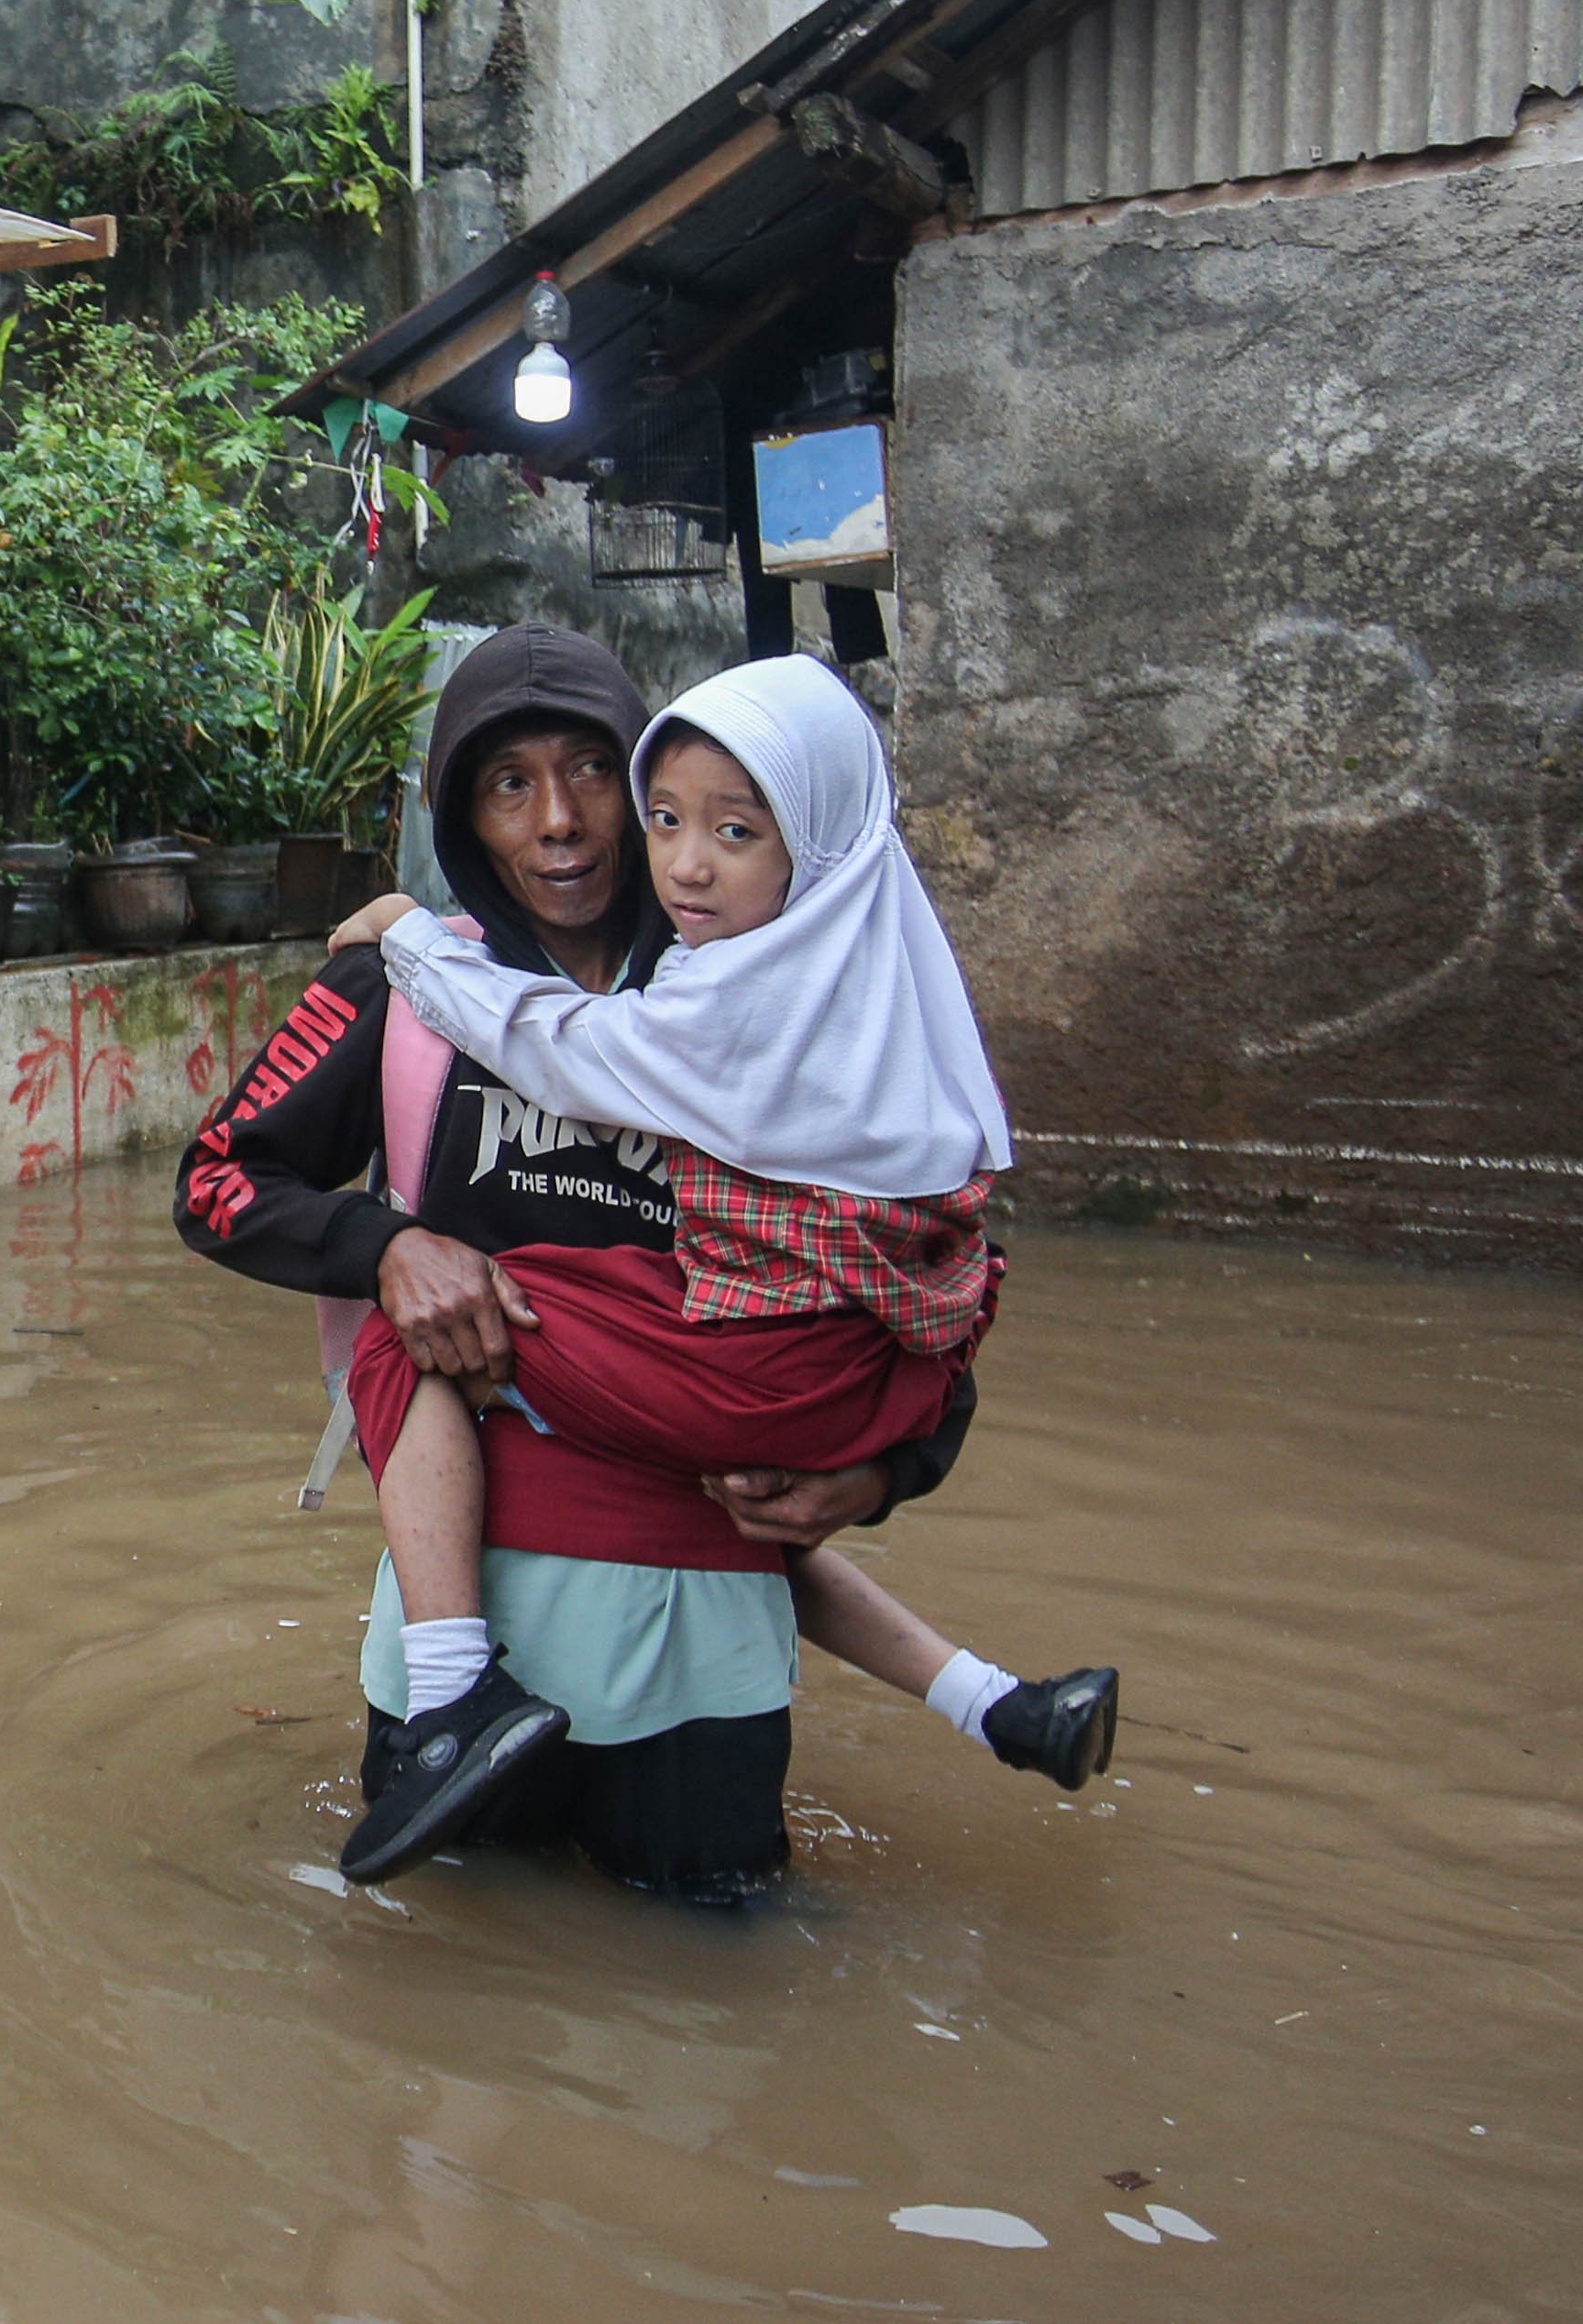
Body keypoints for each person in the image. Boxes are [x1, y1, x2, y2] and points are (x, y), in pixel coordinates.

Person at [176, 627, 1094, 1906]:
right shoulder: (402, 984)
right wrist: (390, 1246)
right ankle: (975, 1701)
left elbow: (910, 1291)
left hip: (707, 1633)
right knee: (446, 1964)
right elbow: (215, 1181)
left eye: (593, 774)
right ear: (460, 815)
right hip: (469, 1607)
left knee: (716, 1985)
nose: (558, 822)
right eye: (507, 785)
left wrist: (879, 1473)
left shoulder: (781, 979)